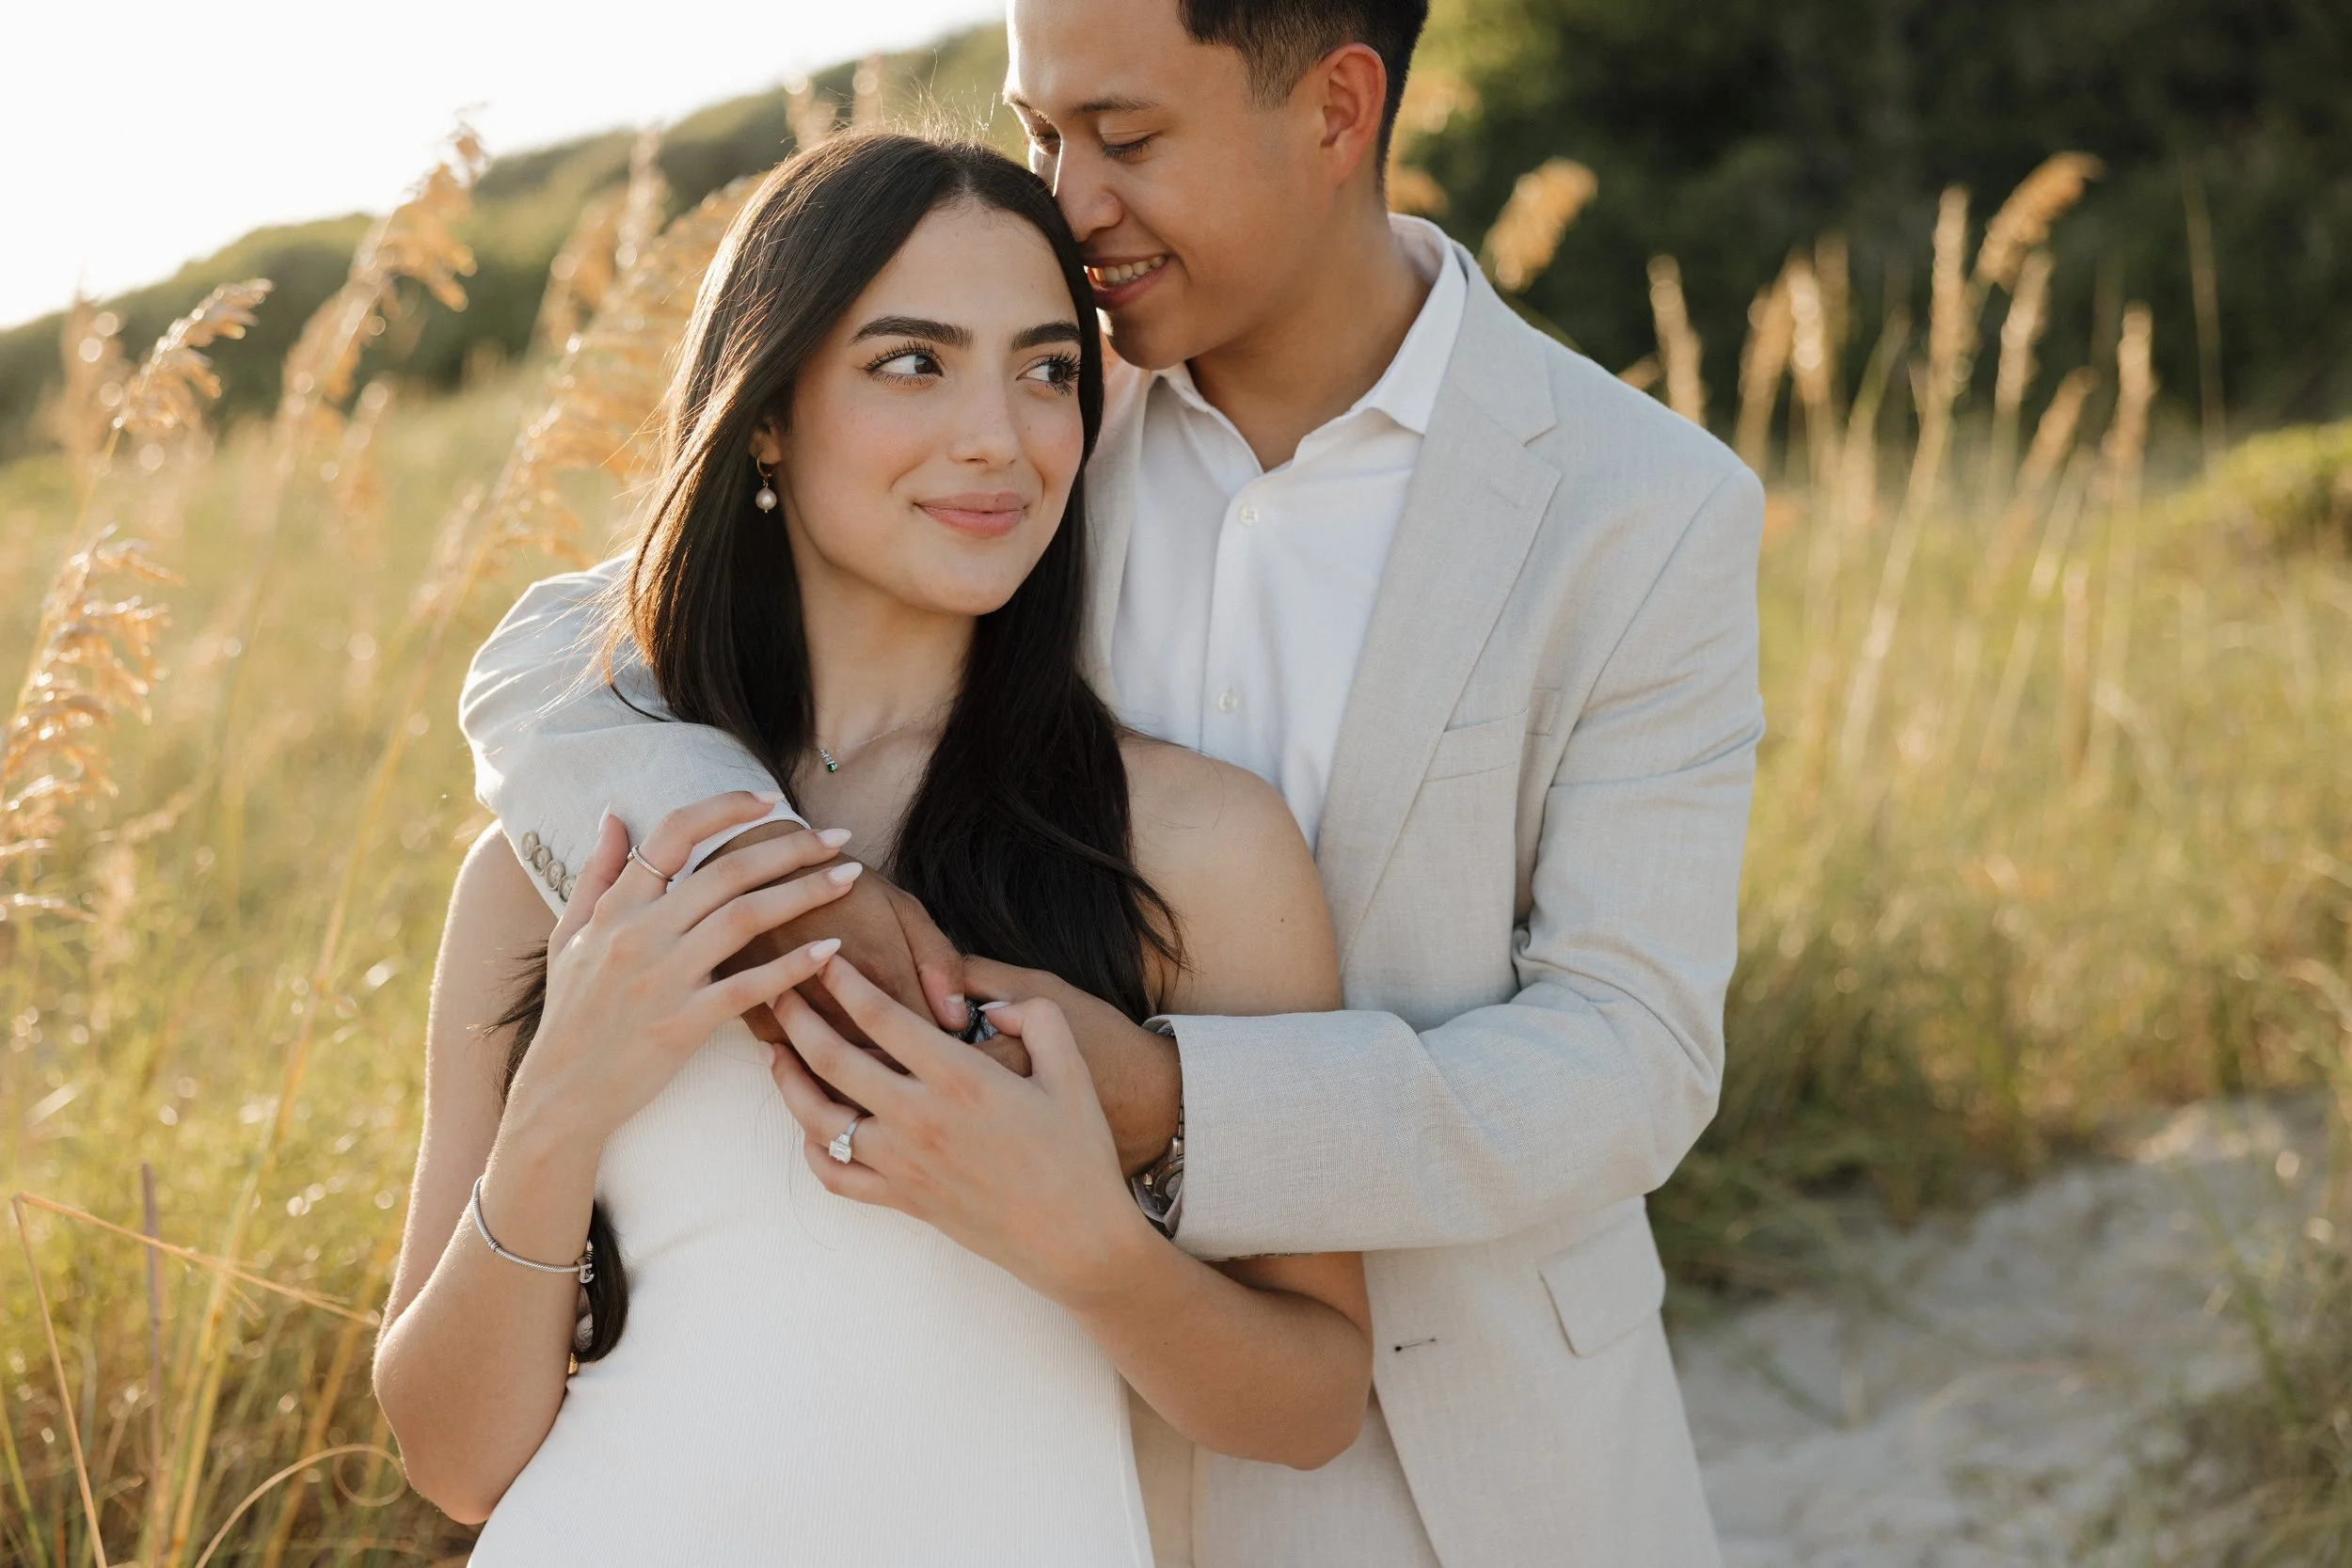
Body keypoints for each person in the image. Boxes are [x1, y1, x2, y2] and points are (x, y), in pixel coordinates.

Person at [460, 0, 1763, 1562]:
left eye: (1126, 138)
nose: (1070, 202)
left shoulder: (1645, 510)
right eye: (1042, 133)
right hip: (1041, 1449)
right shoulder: (1018, 401)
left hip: (1472, 1450)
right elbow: (569, 653)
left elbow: (1629, 1053)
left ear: (1340, 109)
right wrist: (791, 886)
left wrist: (1158, 1095)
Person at [376, 135, 1379, 1564]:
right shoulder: (566, 862)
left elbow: (1313, 1399)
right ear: (769, 411)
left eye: (1046, 369)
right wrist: (562, 1102)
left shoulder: (1195, 846)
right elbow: (457, 1462)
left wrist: (1078, 1237)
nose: (999, 433)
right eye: (914, 361)